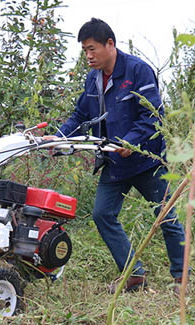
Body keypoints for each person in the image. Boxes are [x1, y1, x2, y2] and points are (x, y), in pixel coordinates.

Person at [49, 17, 187, 293]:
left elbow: (153, 117)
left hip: (146, 162)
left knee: (166, 217)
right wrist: (60, 136)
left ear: (110, 44)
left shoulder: (138, 72)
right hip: (113, 162)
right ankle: (133, 275)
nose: (88, 56)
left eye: (92, 49)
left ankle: (182, 279)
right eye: (85, 51)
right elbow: (80, 115)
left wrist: (131, 142)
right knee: (102, 214)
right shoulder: (93, 79)